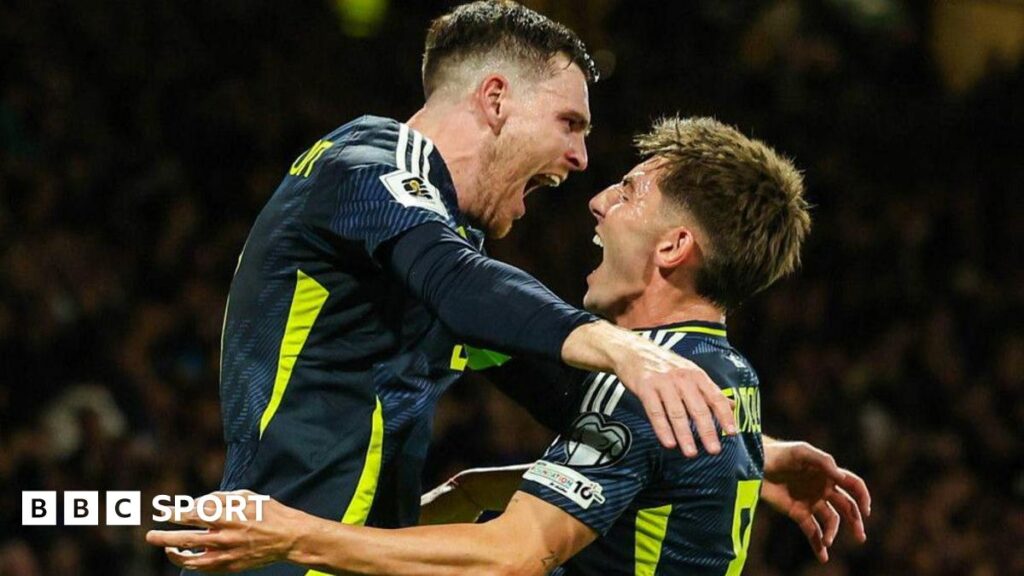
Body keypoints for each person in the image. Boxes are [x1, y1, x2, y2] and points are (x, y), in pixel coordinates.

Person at [148, 117, 871, 575]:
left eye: (629, 192)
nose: (598, 200)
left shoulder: (650, 381)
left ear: (676, 245)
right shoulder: (723, 379)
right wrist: (750, 454)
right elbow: (623, 470)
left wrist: (294, 535)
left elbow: (514, 553)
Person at [209, 2, 735, 574]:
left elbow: (561, 391)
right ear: (495, 99)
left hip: (331, 558)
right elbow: (462, 284)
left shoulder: (426, 252)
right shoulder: (367, 163)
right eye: (569, 123)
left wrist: (729, 448)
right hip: (273, 557)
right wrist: (619, 345)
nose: (582, 159)